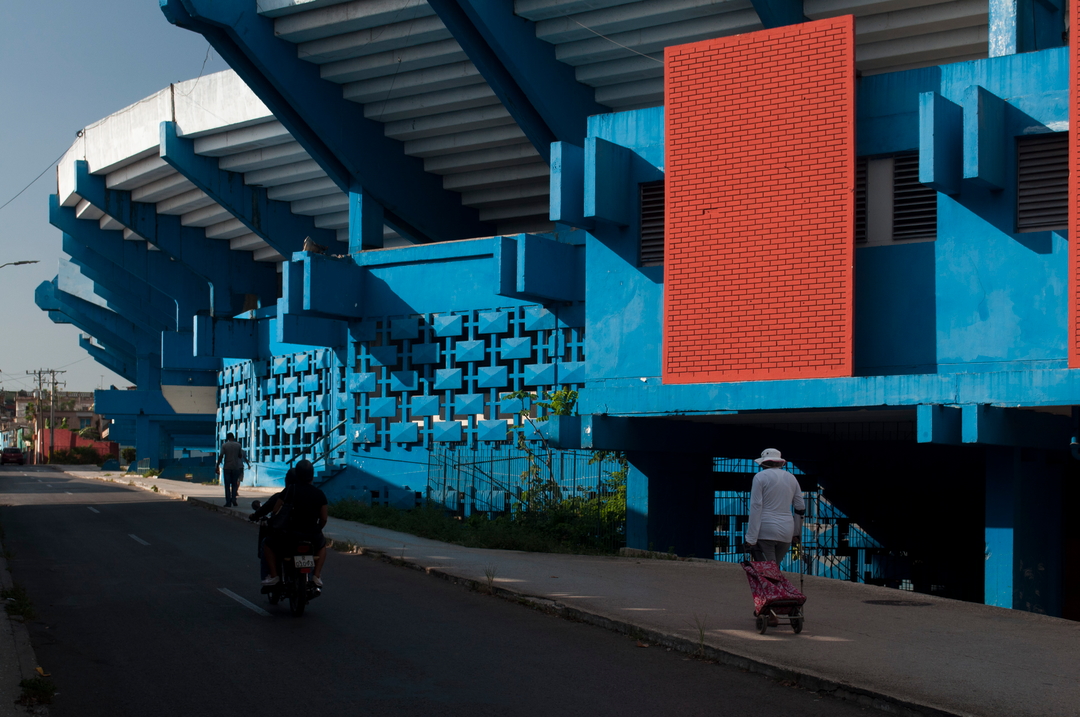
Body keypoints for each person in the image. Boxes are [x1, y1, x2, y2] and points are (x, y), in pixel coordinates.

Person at [260, 459, 328, 588]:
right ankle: (316, 576)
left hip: (289, 534)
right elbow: (324, 518)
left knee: (267, 544)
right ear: (312, 475)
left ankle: (274, 576)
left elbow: (276, 510)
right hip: (311, 534)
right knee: (322, 546)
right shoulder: (319, 494)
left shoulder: (290, 490)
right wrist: (317, 529)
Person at [745, 447, 805, 566]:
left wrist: (751, 538)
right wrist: (797, 533)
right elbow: (800, 507)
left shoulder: (760, 477)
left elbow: (756, 506)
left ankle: (774, 584)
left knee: (769, 570)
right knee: (774, 568)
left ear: (763, 462)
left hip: (766, 529)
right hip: (787, 530)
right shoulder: (791, 478)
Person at [216, 433, 250, 508]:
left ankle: (228, 502)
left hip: (227, 467)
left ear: (227, 438)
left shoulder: (224, 445)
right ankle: (234, 499)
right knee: (234, 484)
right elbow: (240, 455)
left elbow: (221, 456)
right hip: (236, 467)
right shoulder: (238, 445)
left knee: (227, 485)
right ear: (233, 437)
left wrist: (217, 466)